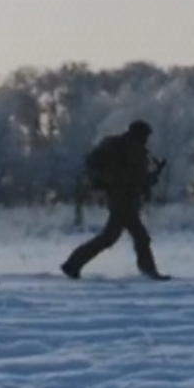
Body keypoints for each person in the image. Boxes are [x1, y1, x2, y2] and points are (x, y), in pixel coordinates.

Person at [62, 120, 169, 280]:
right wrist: (148, 180)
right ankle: (148, 271)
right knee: (136, 236)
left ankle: (73, 264)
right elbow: (131, 177)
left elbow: (135, 177)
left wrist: (148, 179)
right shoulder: (130, 150)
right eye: (145, 135)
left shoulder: (131, 149)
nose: (147, 139)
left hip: (124, 199)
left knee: (111, 237)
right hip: (122, 199)